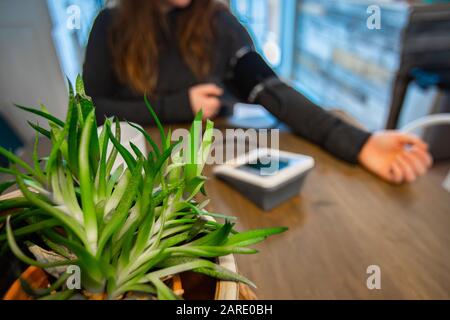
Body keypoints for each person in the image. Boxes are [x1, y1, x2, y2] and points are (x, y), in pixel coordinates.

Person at [83, 0, 432, 184]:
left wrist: (359, 142)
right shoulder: (107, 26)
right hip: (134, 173)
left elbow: (270, 89)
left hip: (209, 174)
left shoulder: (220, 24)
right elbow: (93, 110)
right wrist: (179, 105)